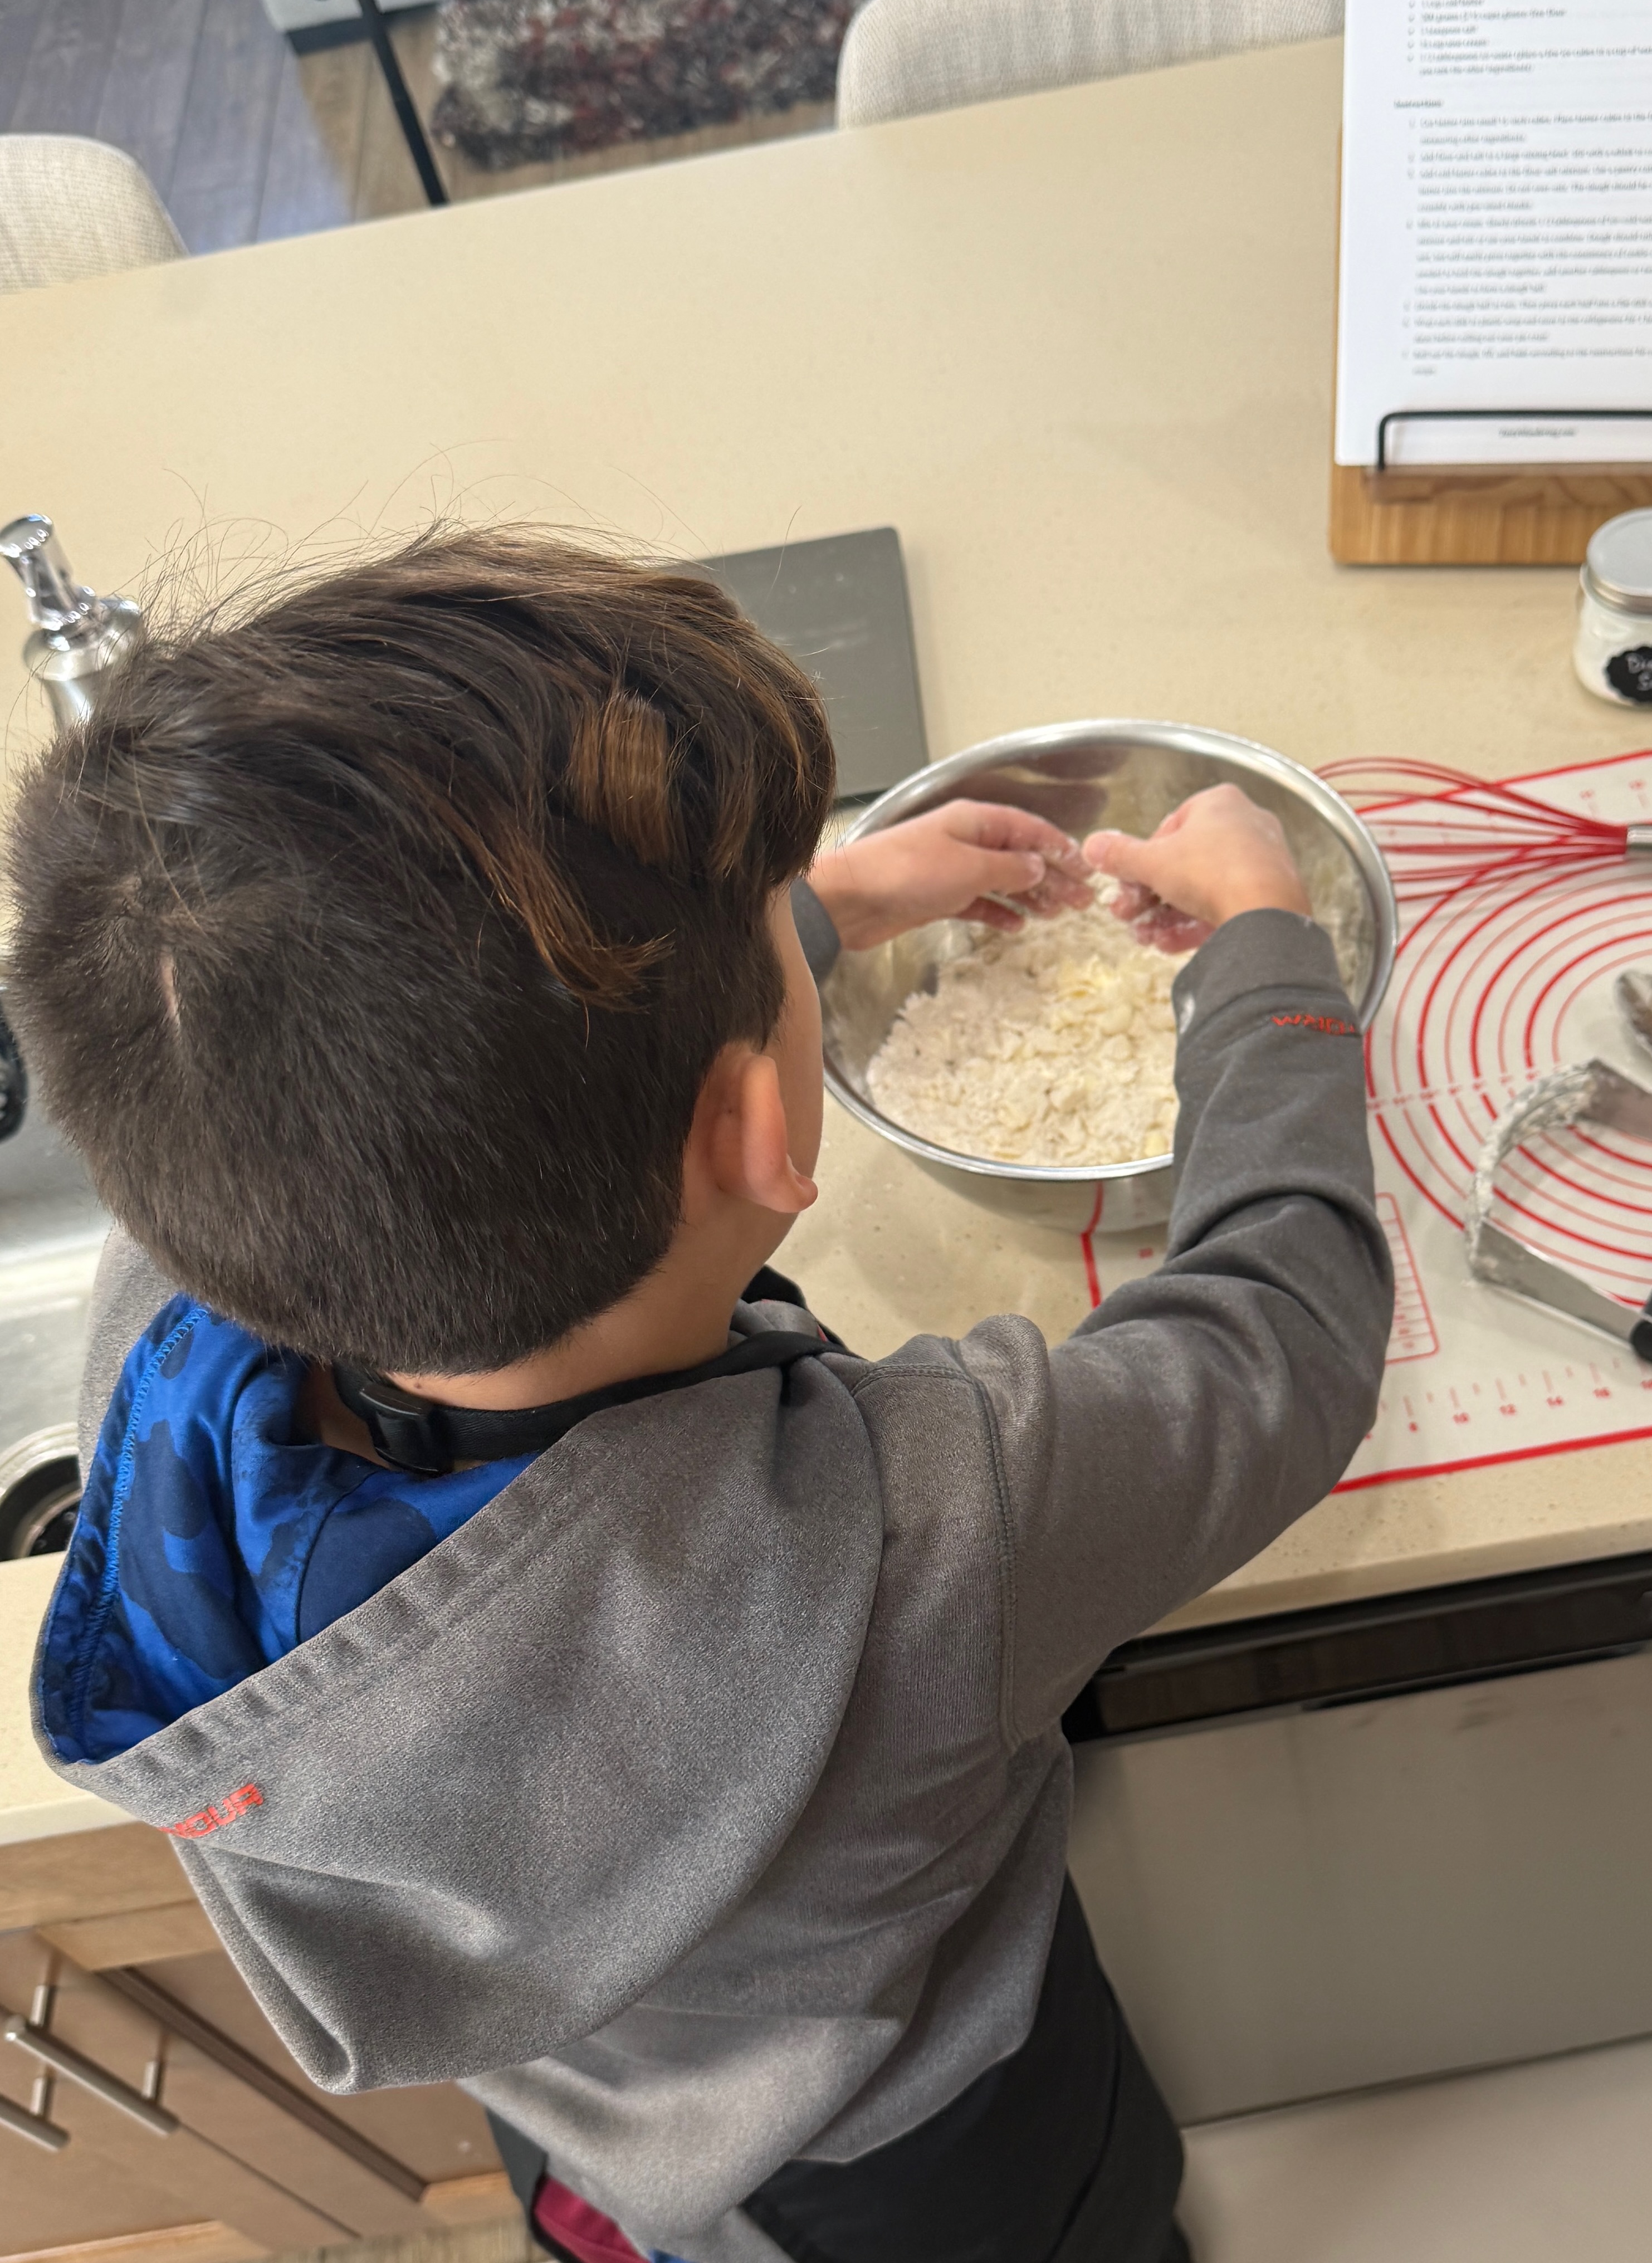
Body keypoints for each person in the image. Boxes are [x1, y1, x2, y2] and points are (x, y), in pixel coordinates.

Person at [6, 532, 1391, 2263]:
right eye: (787, 962)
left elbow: (409, 1077)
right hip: (926, 2157)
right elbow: (1284, 1337)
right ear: (760, 1133)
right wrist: (1268, 953)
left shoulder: (160, 1310)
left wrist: (825, 911)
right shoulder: (921, 1537)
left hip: (588, 2111)